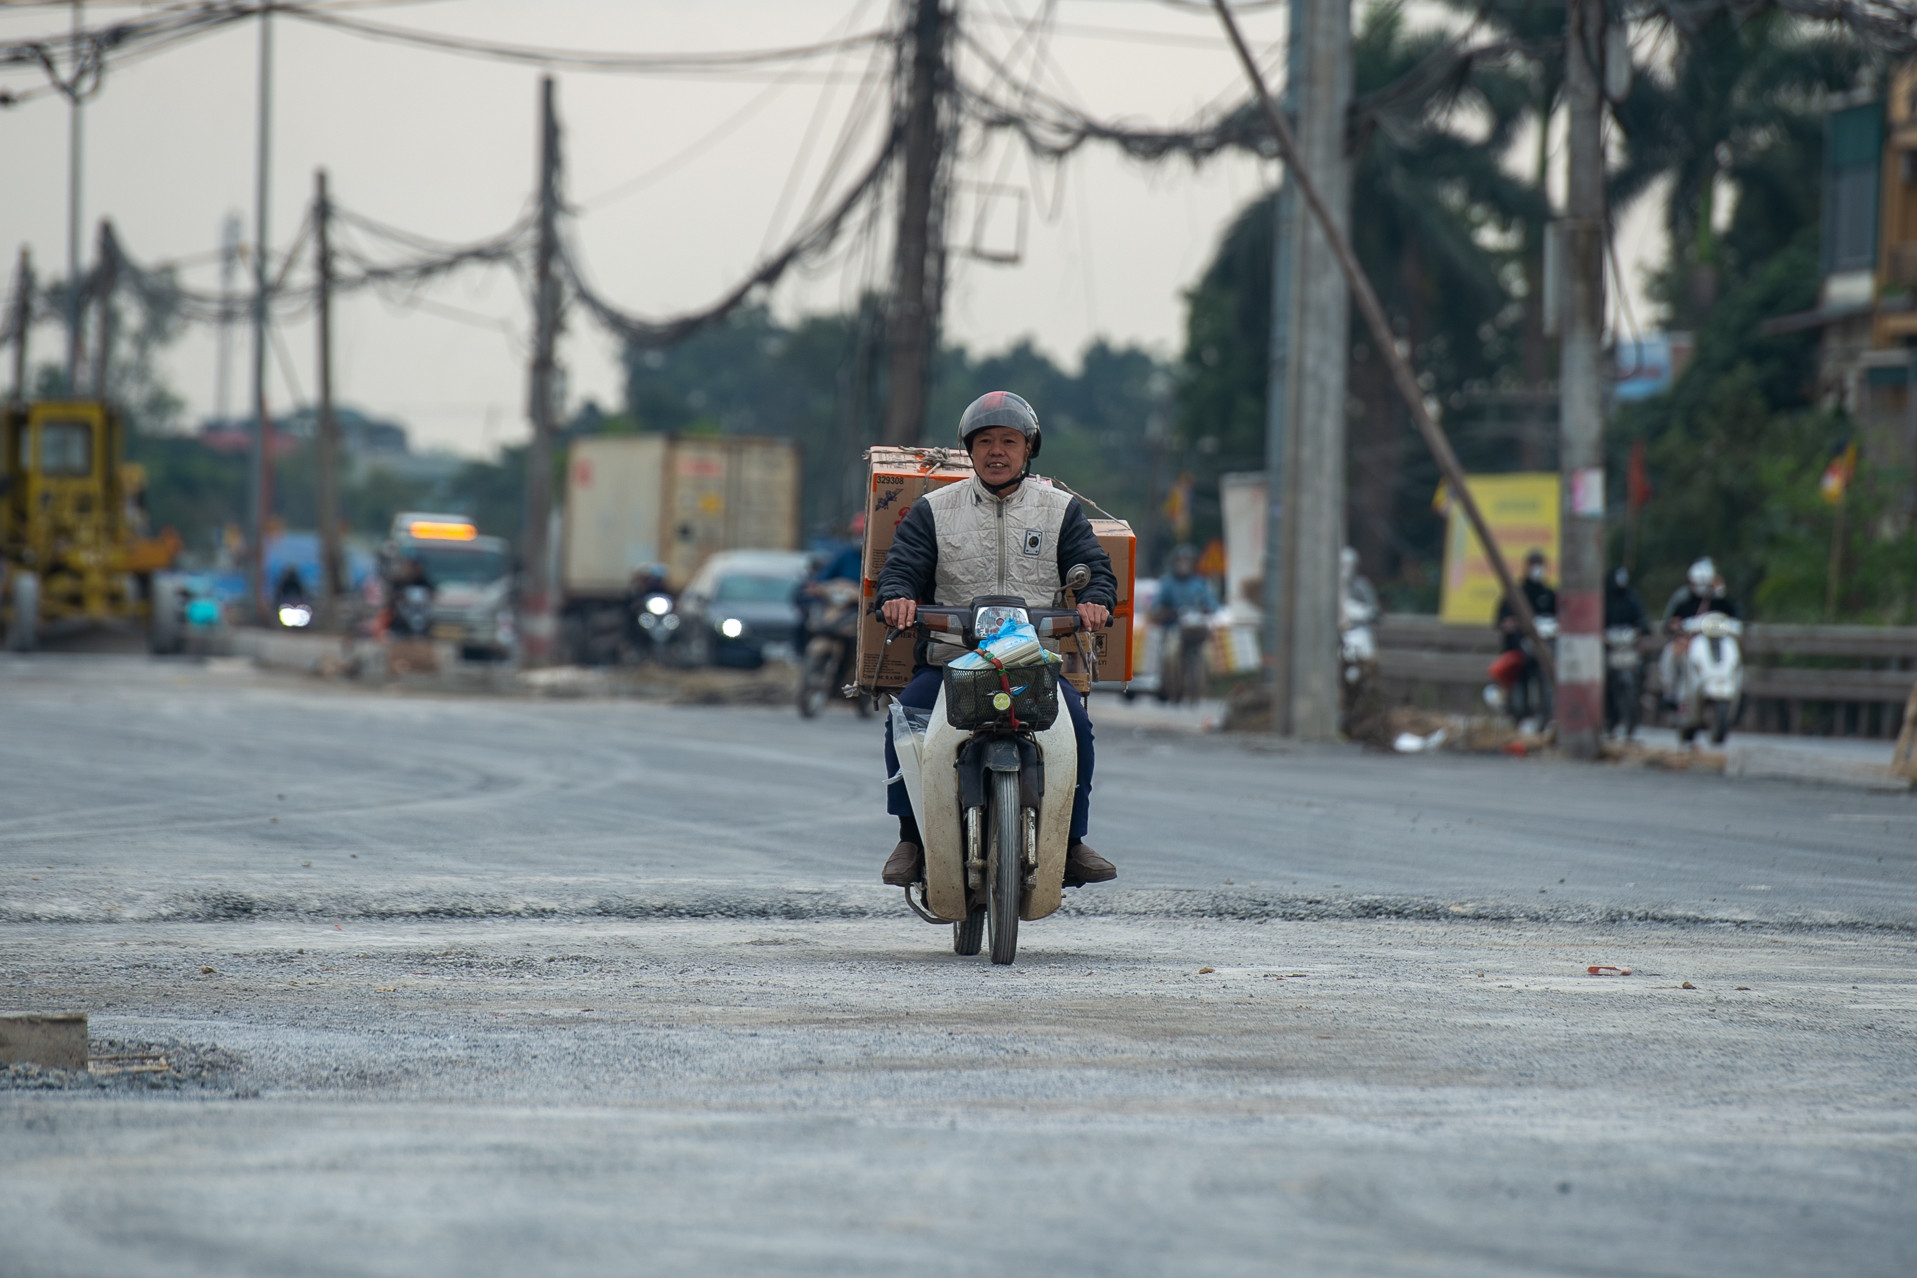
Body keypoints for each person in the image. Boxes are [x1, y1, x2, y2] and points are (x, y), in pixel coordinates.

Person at [875, 391, 1119, 889]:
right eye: (985, 441)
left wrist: (1095, 599)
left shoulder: (1061, 511)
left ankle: (1071, 844)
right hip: (952, 661)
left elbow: (1096, 570)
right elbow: (900, 571)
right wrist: (898, 597)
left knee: (1076, 727)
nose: (996, 451)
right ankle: (910, 839)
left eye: (1009, 441)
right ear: (969, 449)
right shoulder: (933, 510)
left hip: (1034, 662)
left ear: (1029, 449)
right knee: (907, 724)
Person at [1659, 557, 1739, 707]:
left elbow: (1735, 615)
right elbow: (1669, 622)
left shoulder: (1718, 599)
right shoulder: (1682, 598)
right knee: (1670, 654)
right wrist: (1677, 629)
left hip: (1714, 642)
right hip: (1688, 641)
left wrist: (1721, 594)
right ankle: (1670, 694)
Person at [1494, 549, 1557, 723]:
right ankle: (1516, 715)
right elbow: (1501, 620)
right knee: (1517, 686)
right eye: (1533, 565)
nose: (1537, 569)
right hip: (1519, 649)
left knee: (1547, 679)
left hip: (1543, 650)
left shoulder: (1549, 595)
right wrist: (1511, 624)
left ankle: (1546, 717)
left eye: (1540, 565)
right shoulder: (1516, 594)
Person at [1152, 544, 1219, 704]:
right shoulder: (1167, 583)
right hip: (1175, 627)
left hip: (1196, 629)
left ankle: (1205, 688)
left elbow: (1212, 603)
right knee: (1170, 654)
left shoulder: (1200, 583)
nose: (1184, 564)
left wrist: (1207, 609)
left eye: (1187, 561)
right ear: (1175, 562)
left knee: (1210, 655)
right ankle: (1173, 689)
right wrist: (1165, 612)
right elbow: (1156, 606)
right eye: (1180, 560)